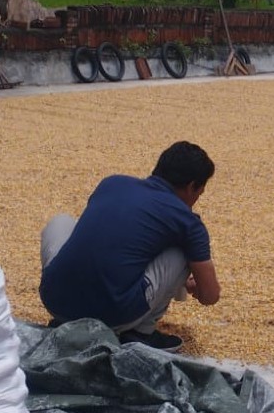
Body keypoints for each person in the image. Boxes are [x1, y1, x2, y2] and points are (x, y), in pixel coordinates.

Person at [38, 141, 221, 352]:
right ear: (192, 186)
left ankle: (67, 317)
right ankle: (141, 332)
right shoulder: (187, 221)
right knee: (182, 251)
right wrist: (192, 284)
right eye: (200, 192)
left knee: (61, 221)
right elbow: (210, 296)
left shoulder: (111, 183)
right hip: (114, 315)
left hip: (55, 301)